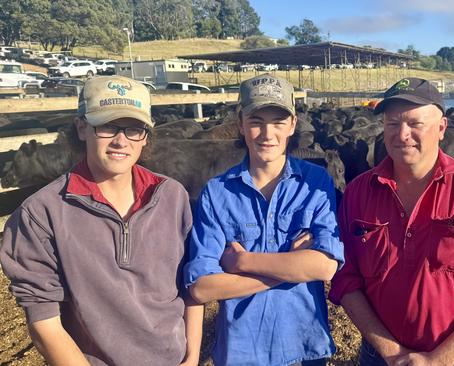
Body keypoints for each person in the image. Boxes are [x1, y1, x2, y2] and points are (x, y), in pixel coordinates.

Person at [0, 76, 203, 366]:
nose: (121, 140)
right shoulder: (41, 213)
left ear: (145, 136)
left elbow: (189, 284)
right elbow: (45, 324)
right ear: (82, 127)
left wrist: (192, 356)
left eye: (134, 129)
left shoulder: (171, 196)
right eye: (107, 126)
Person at [329, 77, 454, 366]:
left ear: (442, 128)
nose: (401, 134)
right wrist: (391, 352)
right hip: (378, 357)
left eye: (415, 123)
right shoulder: (359, 191)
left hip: (452, 358)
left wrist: (438, 360)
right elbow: (346, 278)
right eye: (392, 124)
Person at [184, 74, 344, 366]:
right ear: (240, 124)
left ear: (293, 125)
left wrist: (243, 264)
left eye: (278, 122)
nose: (267, 134)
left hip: (306, 348)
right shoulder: (217, 192)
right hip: (242, 353)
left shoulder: (317, 182)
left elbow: (325, 267)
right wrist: (293, 265)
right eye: (256, 121)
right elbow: (203, 287)